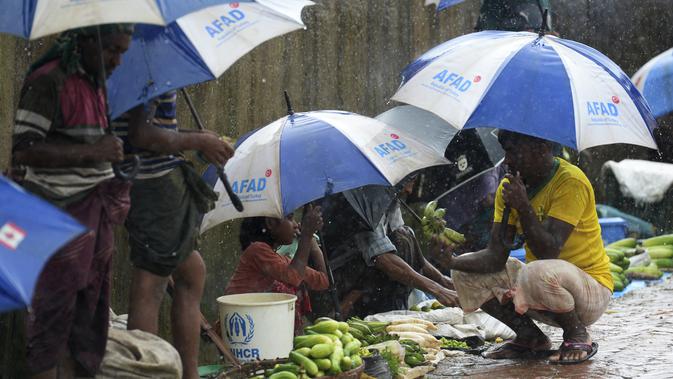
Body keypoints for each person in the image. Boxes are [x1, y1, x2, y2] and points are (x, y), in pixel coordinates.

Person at [10, 25, 134, 378]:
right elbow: (25, 149)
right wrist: (92, 151)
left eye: (123, 52)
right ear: (86, 41)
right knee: (52, 322)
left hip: (95, 221)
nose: (117, 60)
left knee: (87, 327)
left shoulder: (97, 85)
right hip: (57, 218)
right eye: (112, 50)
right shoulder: (49, 80)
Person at [438, 130, 613, 364]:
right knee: (465, 272)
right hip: (544, 290)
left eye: (513, 152)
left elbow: (548, 251)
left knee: (536, 270)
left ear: (541, 150)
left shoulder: (571, 181)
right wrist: (451, 261)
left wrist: (523, 206)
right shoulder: (508, 189)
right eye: (506, 153)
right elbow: (495, 257)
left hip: (590, 292)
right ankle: (530, 337)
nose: (507, 161)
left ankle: (576, 333)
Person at [116, 90, 234, 379]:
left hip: (145, 181)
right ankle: (146, 371)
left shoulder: (143, 64)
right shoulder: (148, 65)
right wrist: (198, 140)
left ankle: (186, 372)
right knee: (151, 281)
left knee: (191, 271)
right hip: (154, 184)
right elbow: (142, 134)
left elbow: (150, 126)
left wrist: (197, 136)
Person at [314, 180, 459, 319]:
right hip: (341, 272)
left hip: (366, 270)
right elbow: (383, 258)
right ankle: (357, 308)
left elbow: (407, 243)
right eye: (408, 182)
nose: (409, 190)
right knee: (400, 241)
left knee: (405, 235)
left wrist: (443, 281)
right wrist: (437, 289)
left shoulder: (390, 195)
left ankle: (393, 307)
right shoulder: (369, 196)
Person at [226, 205, 329, 334]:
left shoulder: (281, 260)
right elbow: (294, 277)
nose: (296, 225)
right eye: (290, 218)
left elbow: (323, 281)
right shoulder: (256, 251)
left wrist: (312, 243)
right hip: (241, 331)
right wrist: (306, 236)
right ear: (271, 223)